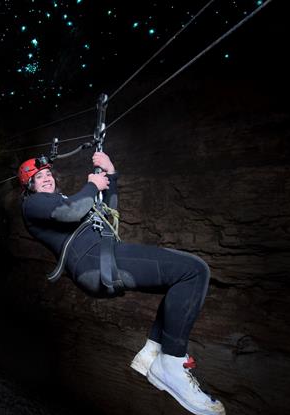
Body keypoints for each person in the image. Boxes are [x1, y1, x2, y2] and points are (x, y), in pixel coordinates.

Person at [19, 152, 225, 415]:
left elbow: (107, 212)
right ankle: (171, 362)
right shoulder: (32, 205)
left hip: (103, 257)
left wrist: (111, 176)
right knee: (194, 272)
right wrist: (93, 184)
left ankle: (154, 351)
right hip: (94, 263)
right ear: (29, 187)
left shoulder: (62, 199)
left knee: (184, 277)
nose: (47, 179)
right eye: (39, 177)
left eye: (49, 174)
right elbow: (71, 212)